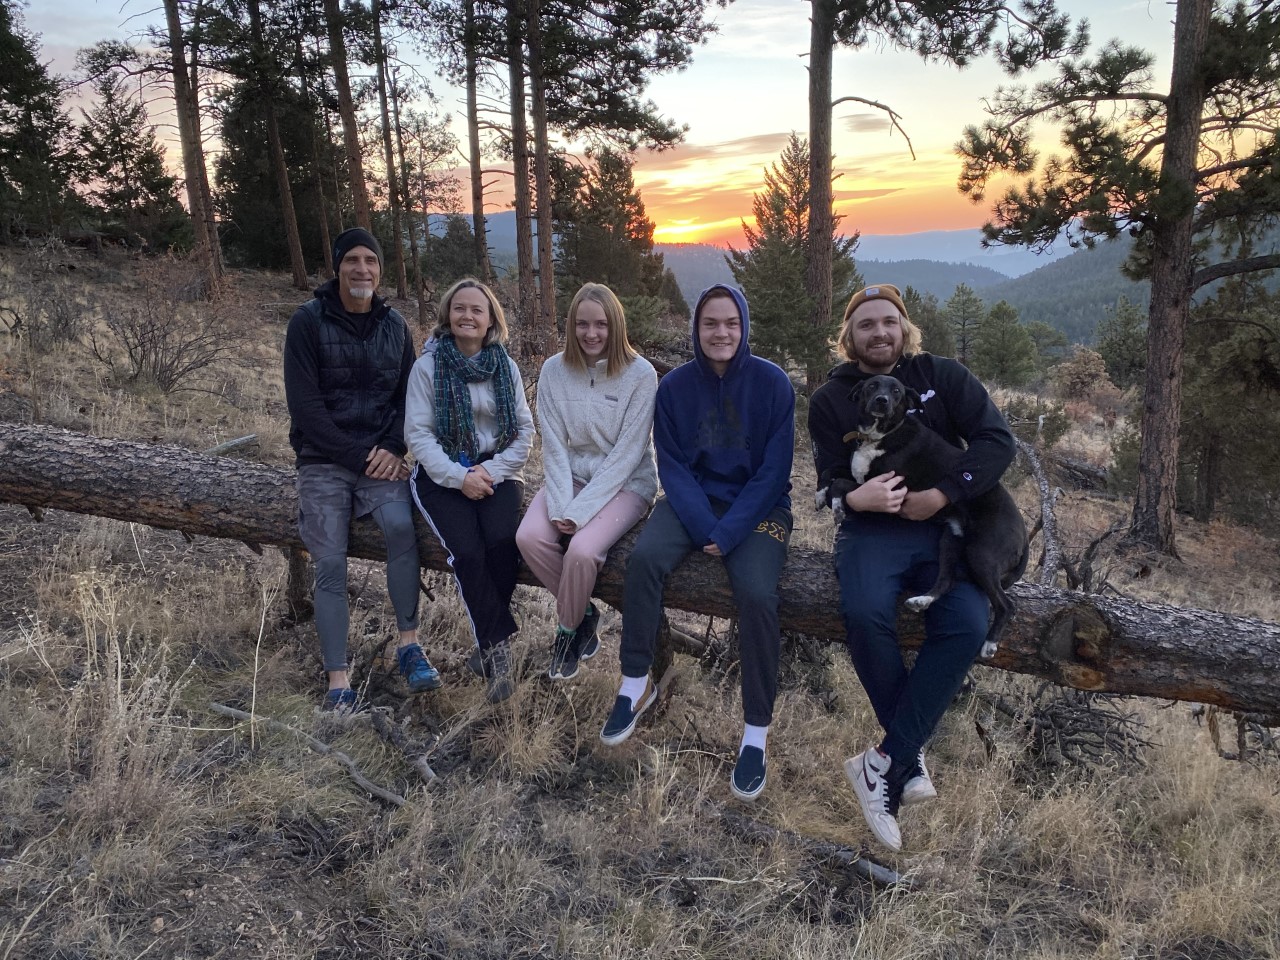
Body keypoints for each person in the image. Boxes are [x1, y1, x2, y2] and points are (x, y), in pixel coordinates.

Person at [807, 283, 1016, 851]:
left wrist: (946, 493)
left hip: (942, 530)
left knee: (968, 623)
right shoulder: (830, 399)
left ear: (904, 329)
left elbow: (998, 444)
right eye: (866, 324)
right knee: (866, 610)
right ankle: (905, 752)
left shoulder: (943, 376)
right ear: (849, 336)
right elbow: (826, 477)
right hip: (872, 531)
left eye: (889, 322)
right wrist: (854, 499)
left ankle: (884, 761)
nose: (879, 333)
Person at [597, 283, 795, 802]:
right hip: (693, 504)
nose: (721, 332)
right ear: (697, 328)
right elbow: (673, 465)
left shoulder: (773, 384)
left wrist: (729, 532)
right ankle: (634, 682)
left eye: (731, 323)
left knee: (756, 595)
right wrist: (703, 522)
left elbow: (775, 472)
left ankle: (755, 732)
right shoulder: (676, 387)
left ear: (744, 326)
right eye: (711, 324)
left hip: (759, 510)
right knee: (643, 560)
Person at [283, 227, 440, 712]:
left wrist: (393, 446)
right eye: (352, 260)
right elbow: (305, 408)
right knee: (329, 564)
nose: (362, 270)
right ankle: (338, 681)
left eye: (370, 261)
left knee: (399, 528)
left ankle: (409, 646)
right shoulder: (307, 323)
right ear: (337, 267)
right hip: (324, 461)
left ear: (379, 270)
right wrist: (357, 455)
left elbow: (408, 399)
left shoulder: (394, 327)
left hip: (381, 458)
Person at [516, 283, 658, 680]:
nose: (591, 334)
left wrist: (578, 513)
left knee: (581, 551)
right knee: (528, 538)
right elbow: (555, 447)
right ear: (571, 326)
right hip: (571, 476)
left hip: (628, 483)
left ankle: (565, 631)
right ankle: (584, 613)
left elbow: (627, 455)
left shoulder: (640, 375)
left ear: (616, 325)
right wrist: (562, 503)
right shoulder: (553, 372)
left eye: (601, 324)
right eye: (582, 324)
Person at [404, 277, 534, 704]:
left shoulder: (506, 367)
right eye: (459, 308)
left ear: (491, 318)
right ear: (447, 316)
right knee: (468, 551)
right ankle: (498, 653)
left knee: (502, 542)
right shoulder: (428, 367)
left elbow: (524, 433)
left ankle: (486, 643)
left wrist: (489, 472)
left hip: (497, 471)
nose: (468, 316)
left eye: (477, 310)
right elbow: (418, 437)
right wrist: (461, 477)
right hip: (442, 476)